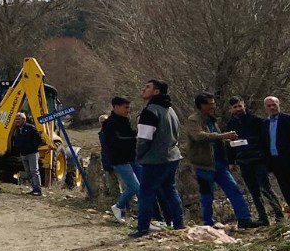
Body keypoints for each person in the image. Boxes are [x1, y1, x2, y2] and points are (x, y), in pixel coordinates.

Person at [184, 92, 255, 228]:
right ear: (201, 105)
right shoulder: (193, 120)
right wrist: (223, 136)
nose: (212, 106)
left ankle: (244, 219)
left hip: (220, 163)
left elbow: (217, 140)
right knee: (207, 195)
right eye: (209, 104)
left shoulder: (212, 119)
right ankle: (208, 222)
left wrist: (230, 141)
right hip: (204, 164)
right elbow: (199, 136)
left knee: (233, 189)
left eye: (213, 104)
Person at [128, 79, 184, 238]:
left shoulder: (150, 111)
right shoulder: (170, 110)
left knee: (146, 193)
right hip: (172, 156)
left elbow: (144, 139)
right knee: (171, 191)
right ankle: (179, 224)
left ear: (156, 92)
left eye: (148, 87)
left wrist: (139, 155)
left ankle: (142, 228)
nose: (143, 89)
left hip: (155, 159)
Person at [223, 97, 282, 225]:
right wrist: (232, 161)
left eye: (240, 106)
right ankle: (263, 217)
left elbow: (266, 141)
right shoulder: (231, 124)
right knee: (254, 191)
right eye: (235, 107)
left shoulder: (256, 121)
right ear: (231, 109)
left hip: (258, 159)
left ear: (244, 106)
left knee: (266, 188)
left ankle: (279, 214)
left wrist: (268, 160)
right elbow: (229, 144)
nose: (238, 109)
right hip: (243, 161)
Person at [99, 96, 140, 223]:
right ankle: (119, 206)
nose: (128, 110)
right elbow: (115, 142)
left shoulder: (124, 120)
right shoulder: (110, 123)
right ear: (116, 107)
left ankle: (122, 209)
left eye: (129, 107)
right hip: (118, 159)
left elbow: (127, 136)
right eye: (125, 107)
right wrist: (135, 139)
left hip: (128, 158)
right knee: (134, 186)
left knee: (134, 186)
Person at [9, 112, 43, 196]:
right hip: (23, 154)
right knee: (28, 172)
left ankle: (38, 190)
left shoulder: (30, 128)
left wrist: (32, 147)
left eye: (19, 119)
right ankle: (33, 188)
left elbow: (39, 139)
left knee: (34, 171)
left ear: (24, 120)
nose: (17, 121)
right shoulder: (16, 130)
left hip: (32, 153)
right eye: (16, 119)